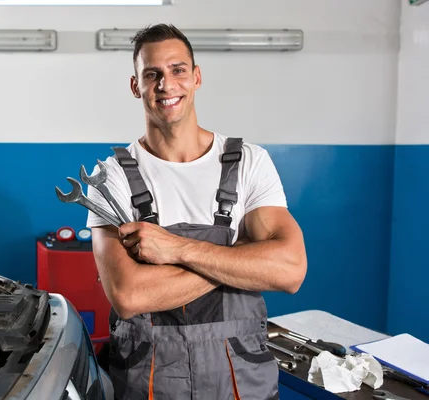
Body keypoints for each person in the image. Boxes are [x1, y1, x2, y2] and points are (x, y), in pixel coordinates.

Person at [85, 23, 307, 400]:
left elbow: (290, 270)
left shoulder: (249, 162)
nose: (166, 84)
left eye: (178, 70)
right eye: (151, 74)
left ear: (196, 76)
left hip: (239, 381)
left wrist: (177, 250)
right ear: (135, 86)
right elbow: (129, 295)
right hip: (151, 382)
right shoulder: (110, 178)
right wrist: (242, 262)